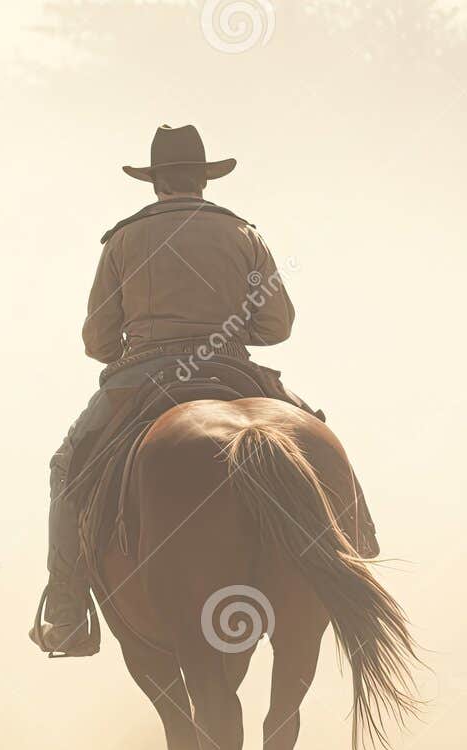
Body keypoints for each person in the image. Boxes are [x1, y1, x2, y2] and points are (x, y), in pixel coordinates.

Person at [32, 124, 298, 657]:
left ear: (155, 183)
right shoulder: (245, 234)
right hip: (232, 371)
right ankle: (354, 548)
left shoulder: (123, 239)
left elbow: (98, 341)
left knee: (67, 467)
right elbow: (278, 325)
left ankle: (66, 607)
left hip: (141, 379)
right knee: (312, 435)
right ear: (204, 179)